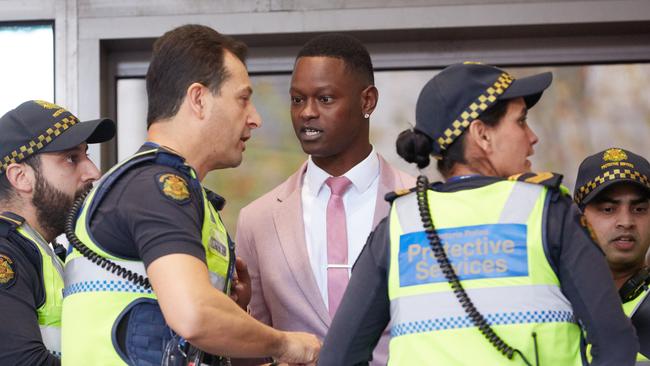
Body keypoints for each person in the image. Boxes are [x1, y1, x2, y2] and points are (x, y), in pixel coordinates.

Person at [320, 62, 638, 365]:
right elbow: (614, 344)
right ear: (482, 134)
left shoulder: (399, 225)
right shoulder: (548, 211)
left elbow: (337, 358)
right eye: (521, 120)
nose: (533, 137)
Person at [60, 24, 320, 366]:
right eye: (243, 98)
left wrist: (231, 312)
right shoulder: (157, 187)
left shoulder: (170, 188)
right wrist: (285, 344)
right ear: (198, 99)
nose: (255, 118)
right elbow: (194, 315)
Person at [234, 33, 414, 365]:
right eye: (297, 99)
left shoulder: (419, 206)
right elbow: (249, 350)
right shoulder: (257, 219)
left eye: (325, 99)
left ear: (367, 101)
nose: (307, 113)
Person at [0, 100, 115, 365]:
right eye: (72, 158)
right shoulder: (6, 253)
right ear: (21, 177)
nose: (94, 172)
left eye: (88, 155)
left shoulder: (42, 251)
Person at [574, 147, 650, 363]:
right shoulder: (552, 303)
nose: (626, 221)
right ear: (579, 219)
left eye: (639, 209)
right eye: (608, 209)